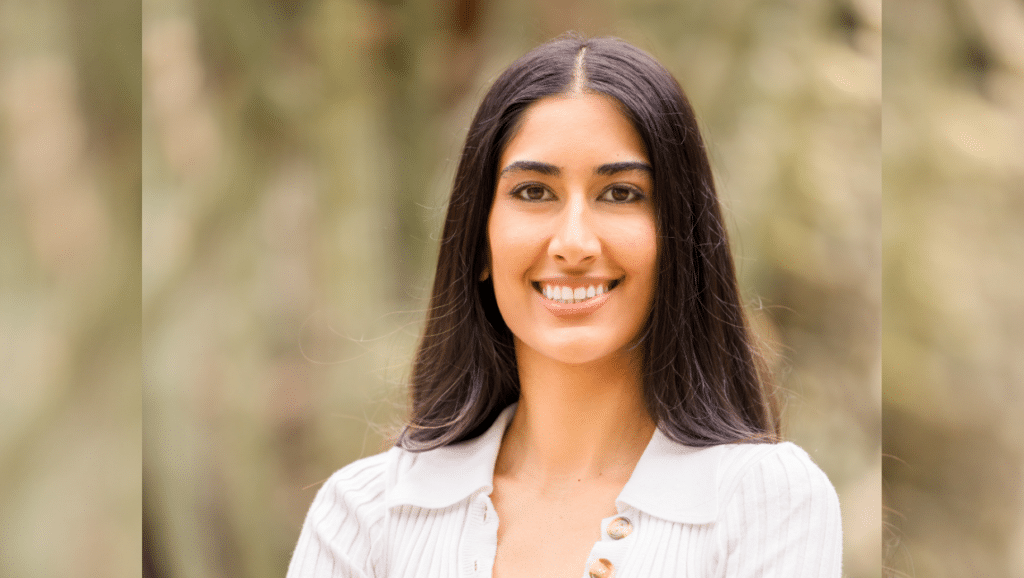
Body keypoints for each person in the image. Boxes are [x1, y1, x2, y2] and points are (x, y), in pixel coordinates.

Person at [287, 34, 842, 577]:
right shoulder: (363, 517)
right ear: (478, 242)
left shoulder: (767, 502)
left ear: (681, 241)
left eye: (621, 193)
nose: (574, 244)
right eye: (533, 192)